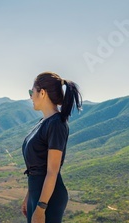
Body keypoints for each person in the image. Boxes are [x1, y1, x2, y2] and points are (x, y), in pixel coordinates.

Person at [21, 71, 82, 223]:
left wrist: (41, 207)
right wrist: (29, 196)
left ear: (42, 93)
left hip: (49, 199)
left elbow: (52, 171)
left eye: (31, 92)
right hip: (38, 194)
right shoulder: (44, 122)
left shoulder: (56, 124)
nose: (30, 96)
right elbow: (37, 166)